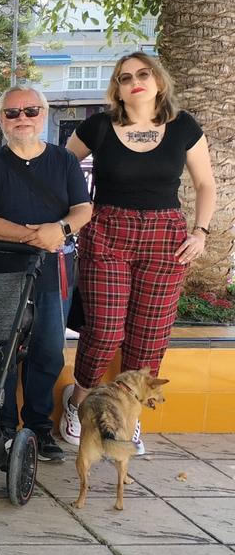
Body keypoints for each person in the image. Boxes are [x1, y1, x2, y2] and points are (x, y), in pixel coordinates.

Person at [59, 52, 216, 453]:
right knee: (106, 329)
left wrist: (200, 231)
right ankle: (79, 403)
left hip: (166, 236)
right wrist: (74, 213)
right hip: (109, 231)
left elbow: (205, 185)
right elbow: (61, 166)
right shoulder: (98, 126)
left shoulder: (183, 128)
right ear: (118, 88)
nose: (135, 82)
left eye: (143, 74)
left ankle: (129, 417)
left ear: (159, 81)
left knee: (149, 337)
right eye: (125, 77)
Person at [0, 85, 93, 463]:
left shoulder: (64, 162)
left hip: (53, 272)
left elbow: (82, 210)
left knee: (48, 350)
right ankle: (4, 429)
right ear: (1, 119)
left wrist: (62, 231)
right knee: (1, 352)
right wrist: (35, 235)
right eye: (12, 113)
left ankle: (38, 427)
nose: (22, 118)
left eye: (30, 110)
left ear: (44, 113)